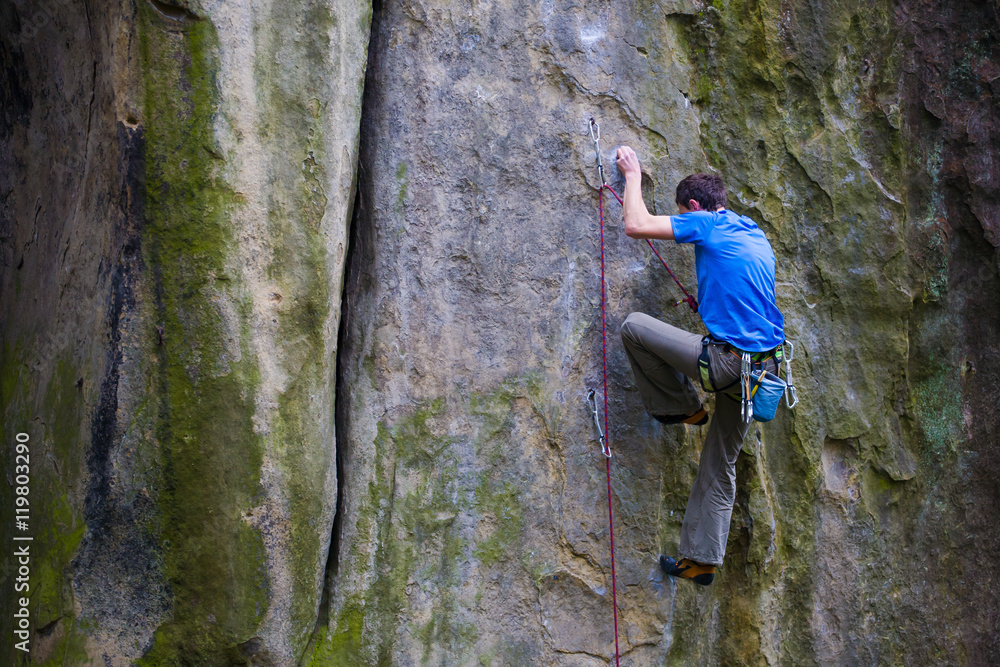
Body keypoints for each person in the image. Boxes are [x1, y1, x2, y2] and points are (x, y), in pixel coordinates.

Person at [614, 146, 785, 586]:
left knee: (633, 326)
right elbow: (740, 290)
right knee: (720, 461)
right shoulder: (753, 231)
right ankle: (702, 561)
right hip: (764, 374)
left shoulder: (706, 223)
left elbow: (636, 225)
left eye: (683, 214)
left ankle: (680, 407)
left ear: (693, 208)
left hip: (728, 364)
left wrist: (632, 176)